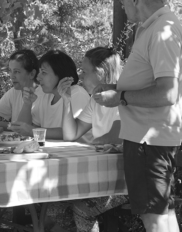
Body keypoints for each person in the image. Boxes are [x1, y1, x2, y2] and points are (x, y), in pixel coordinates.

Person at [93, 0, 182, 232]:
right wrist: (117, 88)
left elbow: (166, 93)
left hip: (149, 139)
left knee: (154, 217)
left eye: (122, 0)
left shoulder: (162, 31)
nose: (122, 7)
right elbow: (151, 83)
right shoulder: (155, 27)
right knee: (161, 213)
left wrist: (120, 97)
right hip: (148, 137)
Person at [57, 47, 127, 231]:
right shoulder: (95, 99)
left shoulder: (122, 97)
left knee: (81, 209)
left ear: (101, 72)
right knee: (57, 206)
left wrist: (93, 143)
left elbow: (113, 137)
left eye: (84, 71)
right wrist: (66, 102)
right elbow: (71, 134)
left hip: (124, 180)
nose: (80, 76)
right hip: (101, 176)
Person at [12, 50, 91, 141]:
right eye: (40, 72)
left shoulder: (77, 94)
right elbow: (22, 130)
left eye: (44, 73)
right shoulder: (43, 94)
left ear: (60, 74)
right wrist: (27, 105)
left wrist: (32, 131)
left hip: (79, 152)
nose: (38, 77)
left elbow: (71, 132)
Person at [0, 49, 39, 129]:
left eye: (17, 71)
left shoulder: (44, 94)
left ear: (32, 74)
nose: (12, 76)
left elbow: (25, 129)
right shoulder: (13, 93)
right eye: (10, 71)